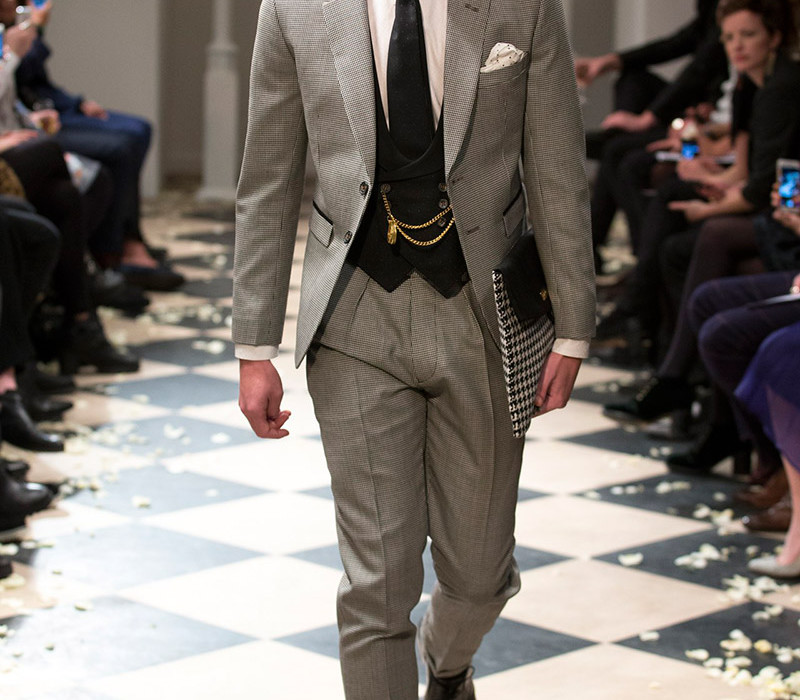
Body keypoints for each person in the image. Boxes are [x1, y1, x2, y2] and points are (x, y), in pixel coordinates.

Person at [233, 1, 595, 698]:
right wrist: (255, 346)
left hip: (484, 312)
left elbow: (557, 169)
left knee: (480, 575)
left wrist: (573, 327)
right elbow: (268, 177)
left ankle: (448, 663)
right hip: (353, 314)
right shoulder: (294, 7)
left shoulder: (523, 4)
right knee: (378, 581)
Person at [12, 0, 183, 292]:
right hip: (22, 124)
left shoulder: (15, 22)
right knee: (118, 149)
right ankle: (112, 253)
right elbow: (19, 75)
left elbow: (36, 83)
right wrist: (35, 29)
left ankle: (129, 238)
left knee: (139, 129)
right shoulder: (18, 27)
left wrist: (76, 103)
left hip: (38, 112)